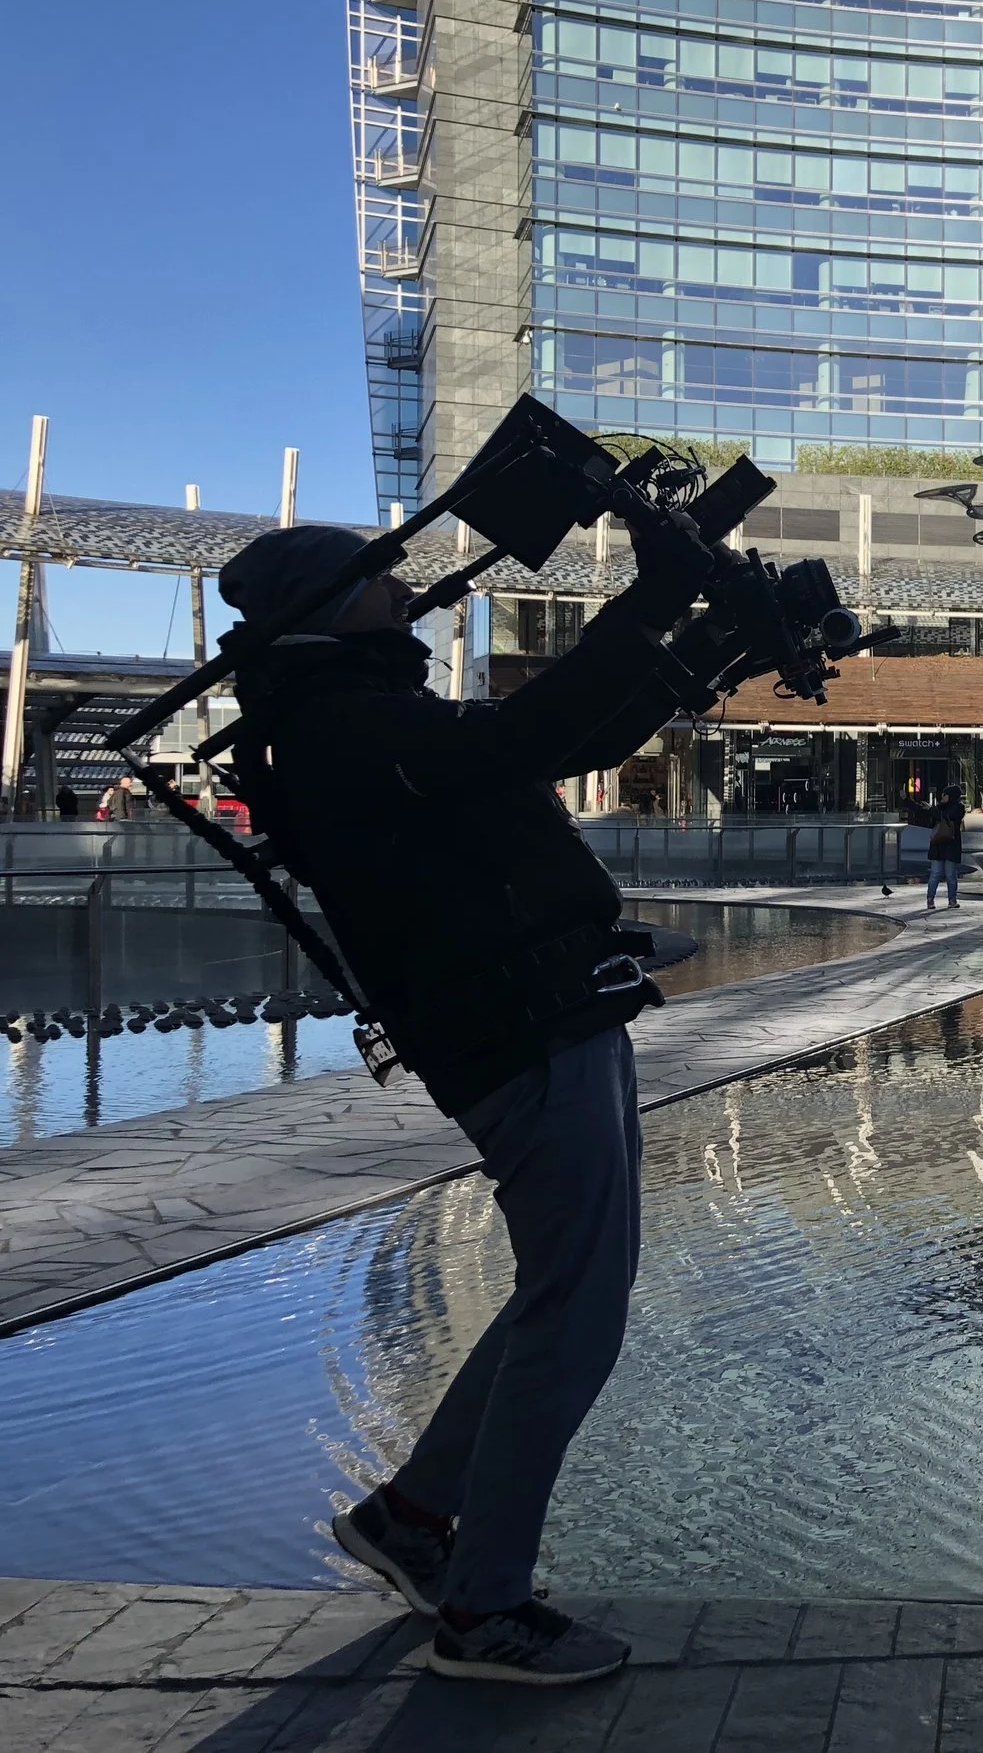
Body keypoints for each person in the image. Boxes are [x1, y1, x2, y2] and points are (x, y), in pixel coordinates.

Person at [216, 508, 716, 1686]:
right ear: (322, 606)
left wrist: (682, 642)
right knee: (577, 1317)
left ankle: (414, 1518)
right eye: (376, 579)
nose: (402, 593)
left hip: (547, 1020)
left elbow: (538, 752)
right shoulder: (342, 725)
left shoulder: (345, 716)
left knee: (562, 1295)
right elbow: (528, 740)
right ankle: (484, 1612)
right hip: (523, 1040)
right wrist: (651, 608)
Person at [925, 784, 966, 909]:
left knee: (950, 874)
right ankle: (930, 899)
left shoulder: (958, 808)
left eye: (945, 795)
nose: (942, 797)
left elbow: (949, 816)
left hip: (950, 844)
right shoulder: (939, 808)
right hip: (938, 844)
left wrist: (933, 809)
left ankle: (952, 900)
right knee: (936, 873)